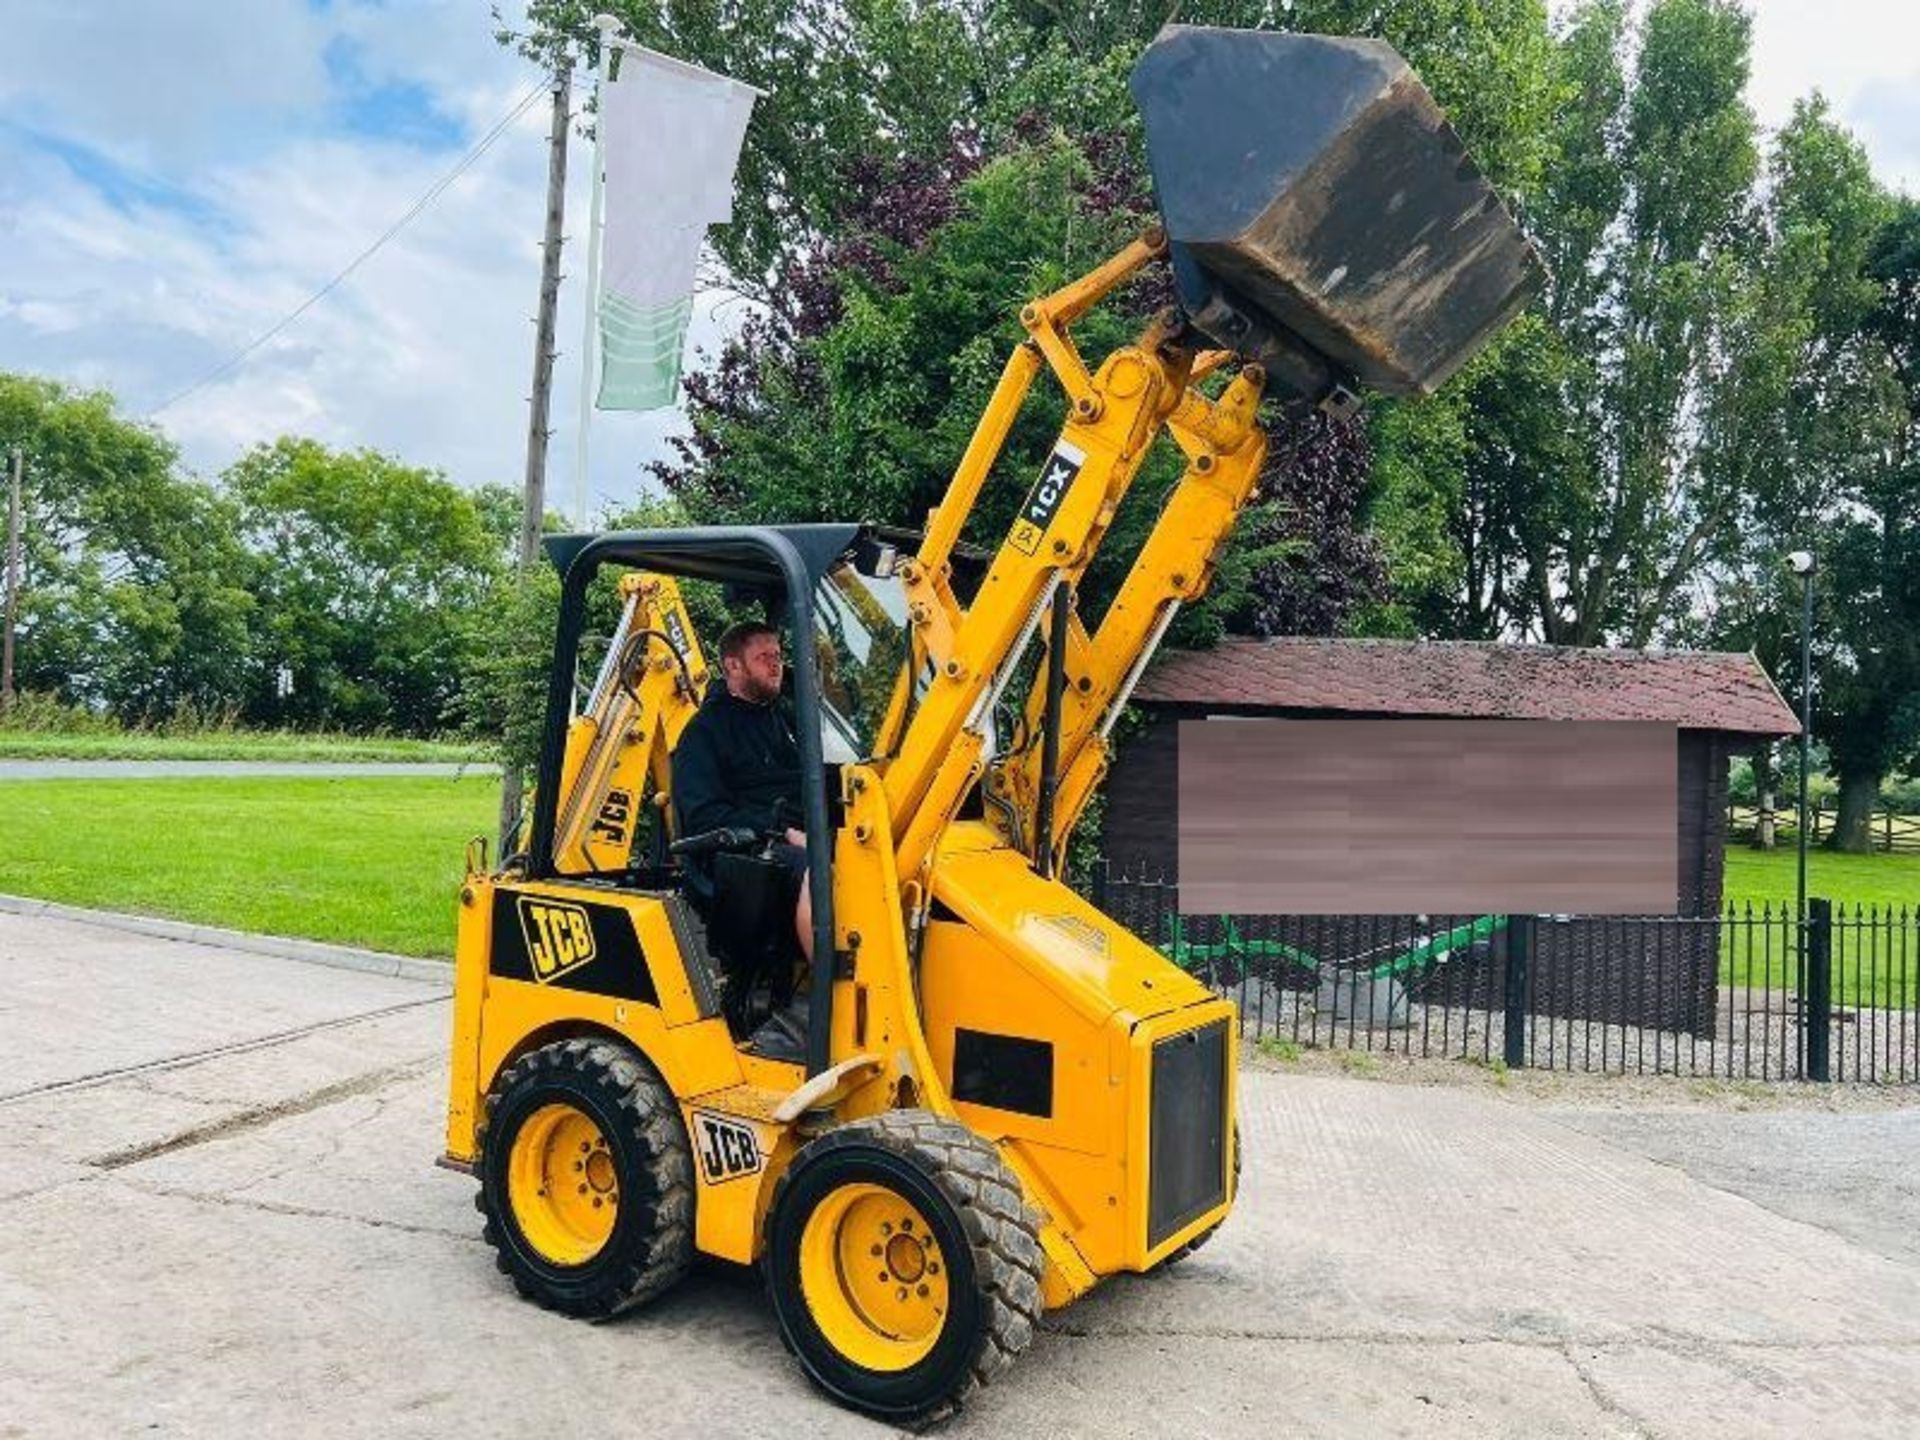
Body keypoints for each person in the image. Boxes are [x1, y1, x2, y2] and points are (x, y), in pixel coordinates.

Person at [670, 620, 814, 967]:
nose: (776, 664)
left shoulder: (784, 718)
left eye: (778, 655)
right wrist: (781, 830)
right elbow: (704, 817)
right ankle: (833, 989)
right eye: (764, 657)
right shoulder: (705, 732)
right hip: (739, 850)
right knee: (819, 869)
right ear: (733, 665)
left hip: (795, 835)